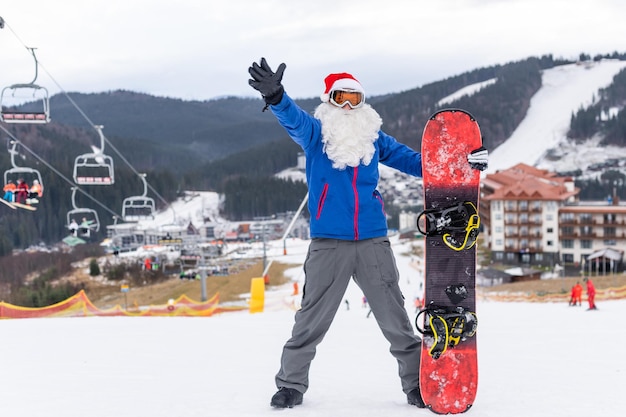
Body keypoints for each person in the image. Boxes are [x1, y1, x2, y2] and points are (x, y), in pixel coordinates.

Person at [248, 57, 488, 409]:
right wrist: (277, 96)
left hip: (373, 241)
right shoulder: (316, 135)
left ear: (363, 104)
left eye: (355, 99)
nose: (348, 105)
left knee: (395, 317)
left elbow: (417, 161)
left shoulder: (373, 139)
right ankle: (290, 385)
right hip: (329, 244)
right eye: (341, 97)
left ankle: (415, 384)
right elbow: (294, 121)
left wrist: (462, 163)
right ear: (329, 100)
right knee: (310, 320)